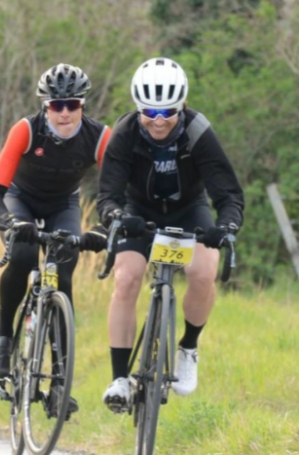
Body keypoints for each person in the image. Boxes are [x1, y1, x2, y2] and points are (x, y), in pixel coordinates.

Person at [97, 57, 244, 411]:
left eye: (168, 112)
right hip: (139, 211)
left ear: (182, 107)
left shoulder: (198, 132)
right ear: (138, 108)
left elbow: (228, 193)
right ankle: (120, 379)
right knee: (127, 278)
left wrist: (225, 227)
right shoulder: (126, 132)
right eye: (150, 111)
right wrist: (116, 215)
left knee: (203, 272)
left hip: (188, 209)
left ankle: (188, 347)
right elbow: (108, 195)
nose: (158, 120)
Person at [0, 63, 111, 415]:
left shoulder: (100, 136)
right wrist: (8, 221)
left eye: (73, 104)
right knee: (23, 256)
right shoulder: (27, 129)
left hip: (63, 205)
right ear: (45, 106)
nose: (65, 112)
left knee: (64, 274)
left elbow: (119, 190)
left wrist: (103, 227)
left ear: (83, 104)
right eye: (57, 105)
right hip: (20, 199)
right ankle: (4, 336)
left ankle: (59, 382)